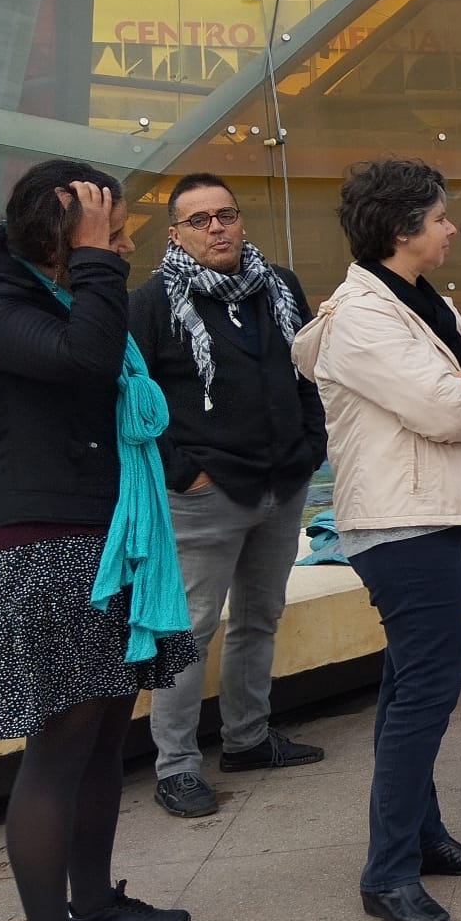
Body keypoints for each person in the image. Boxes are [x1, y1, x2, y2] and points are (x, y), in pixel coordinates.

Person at [291, 158, 461, 921]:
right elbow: (446, 408)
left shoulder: (426, 299)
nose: (453, 227)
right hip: (400, 521)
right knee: (426, 691)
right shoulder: (361, 316)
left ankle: (420, 839)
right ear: (401, 230)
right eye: (438, 217)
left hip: (450, 509)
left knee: (410, 685)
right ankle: (387, 870)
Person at [0, 162, 198, 921]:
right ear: (61, 230)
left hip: (108, 534)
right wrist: (95, 259)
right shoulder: (4, 300)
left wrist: (92, 264)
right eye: (110, 227)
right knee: (60, 744)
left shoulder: (59, 291)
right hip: (48, 543)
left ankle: (91, 904)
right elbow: (85, 364)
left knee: (108, 736)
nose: (125, 243)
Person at [130, 174, 328, 821]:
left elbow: (304, 369)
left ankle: (246, 739)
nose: (217, 227)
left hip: (283, 480)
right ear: (177, 234)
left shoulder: (280, 286)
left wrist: (311, 443)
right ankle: (177, 767)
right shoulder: (153, 302)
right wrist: (181, 473)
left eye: (227, 215)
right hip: (205, 495)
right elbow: (129, 400)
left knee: (259, 618)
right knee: (190, 631)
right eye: (200, 220)